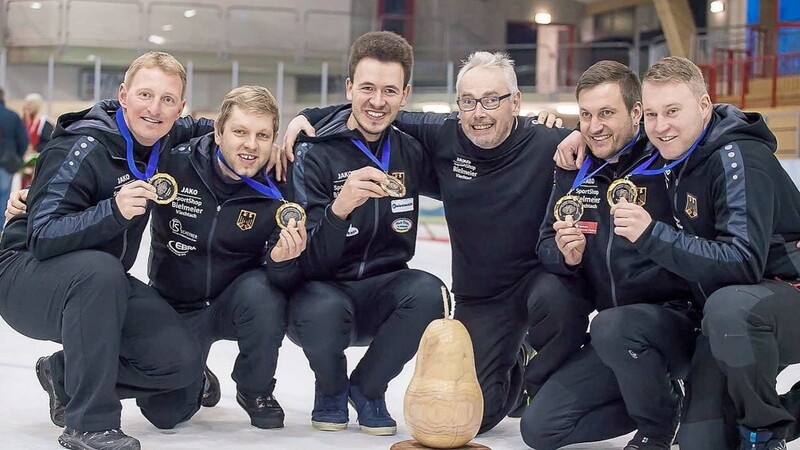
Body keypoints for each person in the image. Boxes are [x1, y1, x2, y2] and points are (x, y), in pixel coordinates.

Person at [284, 50, 592, 433]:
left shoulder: (551, 142)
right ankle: (513, 364)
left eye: (492, 100)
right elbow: (376, 108)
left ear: (515, 102)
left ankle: (541, 378)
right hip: (481, 297)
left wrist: (584, 129)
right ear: (458, 104)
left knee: (558, 298)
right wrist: (308, 116)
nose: (479, 112)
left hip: (537, 282)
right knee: (474, 417)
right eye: (468, 101)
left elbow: (613, 144)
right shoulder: (444, 133)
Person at [0, 51, 213, 450]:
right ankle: (89, 424)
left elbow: (219, 127)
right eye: (146, 95)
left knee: (181, 364)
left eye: (168, 100)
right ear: (124, 95)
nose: (155, 108)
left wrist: (298, 127)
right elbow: (41, 236)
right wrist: (111, 212)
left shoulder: (163, 136)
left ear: (179, 107)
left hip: (102, 282)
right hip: (25, 277)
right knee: (98, 270)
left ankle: (64, 375)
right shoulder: (81, 146)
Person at [270, 31, 446, 437]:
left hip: (383, 290)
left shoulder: (411, 151)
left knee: (429, 292)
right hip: (323, 293)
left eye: (389, 90)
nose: (377, 101)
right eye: (367, 88)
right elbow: (308, 261)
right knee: (320, 306)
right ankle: (330, 389)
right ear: (349, 87)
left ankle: (367, 388)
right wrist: (339, 210)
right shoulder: (313, 152)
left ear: (405, 94)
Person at [623, 56, 800, 450]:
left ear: (704, 106)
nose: (660, 125)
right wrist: (568, 134)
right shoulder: (676, 150)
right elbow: (609, 138)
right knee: (701, 443)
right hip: (732, 313)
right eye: (651, 114)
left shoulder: (739, 158)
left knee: (729, 306)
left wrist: (653, 235)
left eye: (672, 111)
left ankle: (764, 431)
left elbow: (742, 261)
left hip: (782, 295)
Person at [522, 60, 699, 450]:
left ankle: (659, 422)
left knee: (614, 327)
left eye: (606, 113)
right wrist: (565, 256)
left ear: (637, 113)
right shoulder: (575, 169)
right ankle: (665, 400)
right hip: (613, 335)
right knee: (540, 429)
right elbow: (545, 244)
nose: (594, 126)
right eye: (585, 115)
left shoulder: (668, 159)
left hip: (676, 324)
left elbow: (703, 123)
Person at [140, 85, 305, 430]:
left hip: (233, 303)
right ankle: (196, 375)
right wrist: (35, 197)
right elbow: (114, 160)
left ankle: (254, 388)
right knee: (164, 415)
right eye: (240, 132)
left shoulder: (281, 182)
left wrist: (281, 260)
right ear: (217, 131)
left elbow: (286, 281)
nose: (251, 145)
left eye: (263, 135)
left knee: (266, 292)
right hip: (175, 304)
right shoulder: (174, 159)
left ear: (274, 140)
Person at [0, 87, 29, 231]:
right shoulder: (12, 116)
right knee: (3, 197)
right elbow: (23, 140)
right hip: (6, 163)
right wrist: (17, 157)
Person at [20, 92, 55, 187]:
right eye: (26, 103)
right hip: (25, 161)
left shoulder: (44, 123)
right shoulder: (23, 122)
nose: (27, 106)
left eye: (30, 104)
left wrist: (35, 151)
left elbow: (49, 142)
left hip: (38, 161)